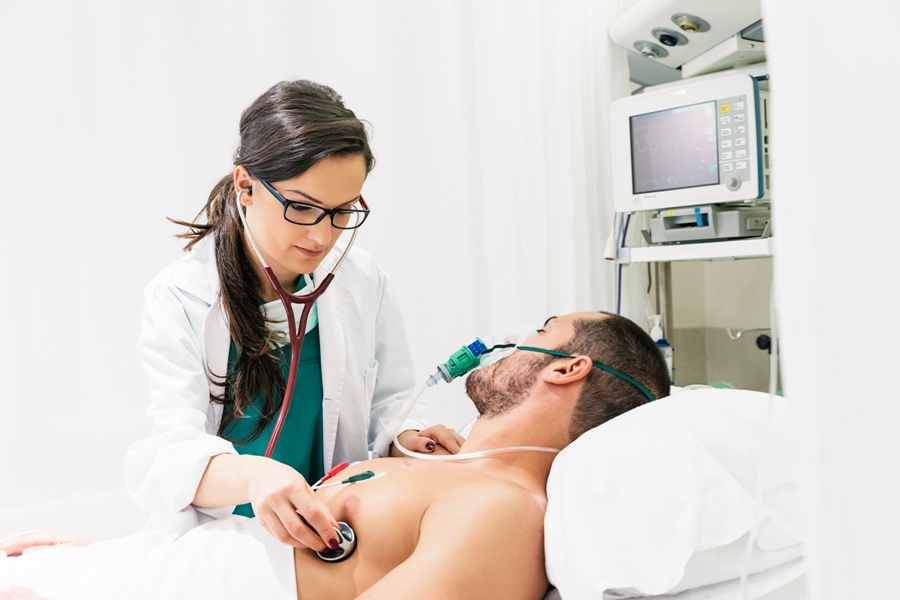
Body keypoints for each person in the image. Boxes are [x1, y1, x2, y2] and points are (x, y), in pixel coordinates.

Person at [0, 311, 671, 600]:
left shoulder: (504, 508)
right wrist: (100, 559)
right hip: (117, 572)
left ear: (565, 368)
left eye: (541, 332)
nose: (514, 342)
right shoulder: (450, 470)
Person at [123, 80, 464, 547]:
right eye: (302, 208)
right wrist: (251, 477)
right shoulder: (182, 297)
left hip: (329, 536)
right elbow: (171, 453)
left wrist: (410, 435)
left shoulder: (363, 282)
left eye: (342, 211)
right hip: (218, 542)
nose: (322, 237)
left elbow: (393, 401)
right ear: (246, 186)